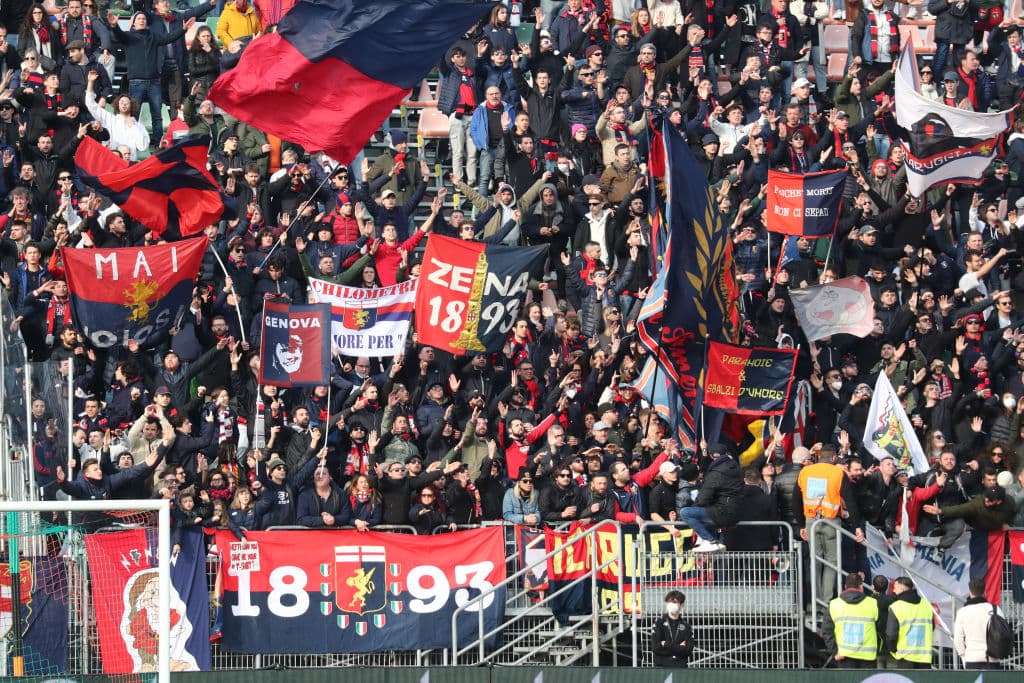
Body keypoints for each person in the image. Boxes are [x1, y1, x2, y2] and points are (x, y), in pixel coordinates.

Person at [822, 572, 881, 668]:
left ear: (845, 586)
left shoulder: (834, 604)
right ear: (861, 586)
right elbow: (881, 629)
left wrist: (835, 652)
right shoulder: (873, 603)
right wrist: (877, 649)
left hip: (844, 656)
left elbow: (827, 631)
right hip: (868, 657)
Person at [954, 578, 1005, 669]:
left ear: (970, 592)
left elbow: (958, 640)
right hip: (993, 659)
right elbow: (1004, 635)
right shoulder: (996, 610)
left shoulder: (962, 612)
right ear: (985, 591)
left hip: (971, 659)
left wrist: (964, 657)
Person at [884, 576, 933, 669]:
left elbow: (891, 635)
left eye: (895, 587)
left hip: (905, 656)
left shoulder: (896, 607)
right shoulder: (926, 604)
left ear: (902, 589)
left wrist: (892, 649)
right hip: (924, 657)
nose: (893, 590)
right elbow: (932, 627)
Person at [651, 590, 694, 667]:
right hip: (661, 667)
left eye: (674, 602)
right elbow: (656, 647)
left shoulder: (686, 626)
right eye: (669, 602)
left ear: (681, 605)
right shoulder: (659, 623)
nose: (671, 604)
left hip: (680, 667)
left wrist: (665, 644)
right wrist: (678, 647)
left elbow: (688, 650)